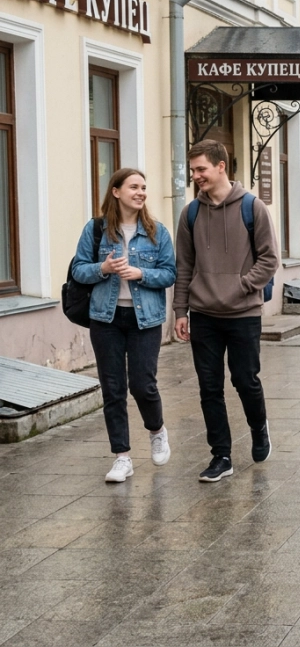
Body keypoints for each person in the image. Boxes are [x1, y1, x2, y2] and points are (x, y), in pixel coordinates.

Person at [175, 139, 279, 483]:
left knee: (245, 380)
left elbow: (269, 258)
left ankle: (259, 427)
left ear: (221, 166)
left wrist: (242, 286)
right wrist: (180, 310)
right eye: (193, 170)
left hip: (243, 314)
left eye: (201, 168)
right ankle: (221, 455)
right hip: (204, 314)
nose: (196, 176)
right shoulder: (190, 213)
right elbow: (184, 265)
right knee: (209, 387)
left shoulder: (253, 207)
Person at [70, 169, 176, 482]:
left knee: (142, 384)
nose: (141, 192)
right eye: (134, 187)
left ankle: (156, 430)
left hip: (145, 320)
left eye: (144, 187)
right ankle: (122, 457)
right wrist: (102, 268)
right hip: (106, 318)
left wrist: (142, 274)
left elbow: (170, 273)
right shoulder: (97, 229)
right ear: (116, 191)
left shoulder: (157, 232)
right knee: (113, 389)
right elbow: (78, 269)